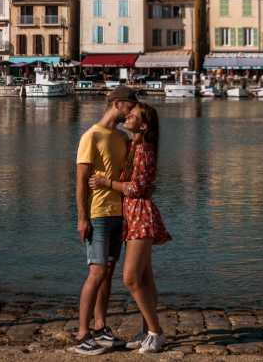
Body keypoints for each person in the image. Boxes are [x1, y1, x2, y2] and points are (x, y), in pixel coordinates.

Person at [89, 102, 171, 354]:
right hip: (132, 216)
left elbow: (136, 188)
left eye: (134, 115)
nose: (128, 114)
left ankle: (156, 333)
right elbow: (143, 184)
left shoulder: (143, 149)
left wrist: (105, 182)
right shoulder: (133, 145)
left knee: (130, 279)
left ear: (143, 126)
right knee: (146, 278)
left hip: (140, 217)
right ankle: (148, 331)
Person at [75, 86, 139, 355]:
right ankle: (82, 335)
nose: (133, 111)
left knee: (109, 272)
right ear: (117, 104)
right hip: (98, 213)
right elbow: (80, 181)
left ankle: (100, 328)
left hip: (119, 213)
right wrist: (81, 217)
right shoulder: (91, 136)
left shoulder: (122, 137)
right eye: (130, 107)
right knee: (97, 272)